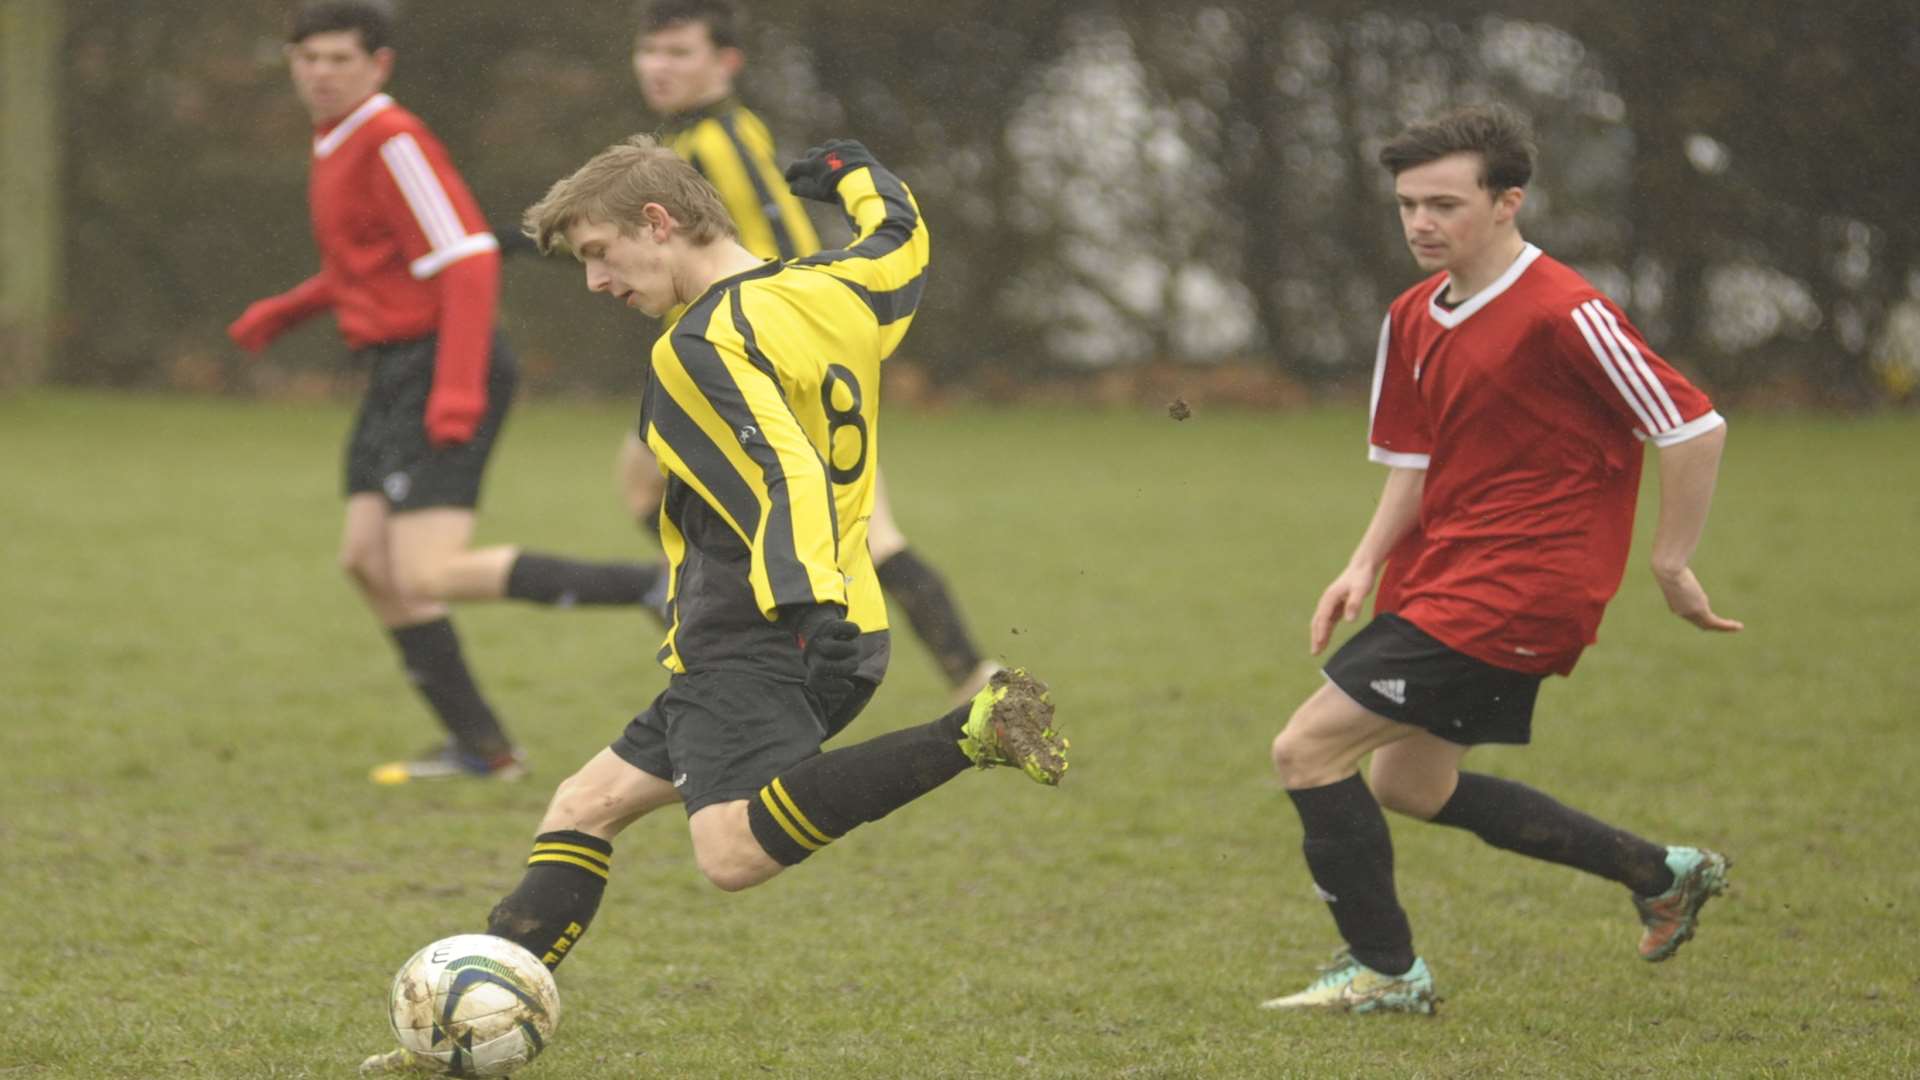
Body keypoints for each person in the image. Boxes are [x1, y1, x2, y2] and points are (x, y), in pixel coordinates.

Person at [360, 134, 1068, 1074]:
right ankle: (474, 1024)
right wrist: (857, 175)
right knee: (585, 805)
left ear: (660, 222)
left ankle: (972, 732)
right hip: (831, 617)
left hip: (767, 626)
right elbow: (900, 245)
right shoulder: (824, 291)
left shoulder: (695, 348)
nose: (596, 283)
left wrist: (806, 606)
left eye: (600, 254)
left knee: (730, 853)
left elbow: (783, 476)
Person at [1259, 105, 1739, 1014]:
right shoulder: (1411, 315)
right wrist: (1361, 565)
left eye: (1444, 203)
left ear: (1509, 201)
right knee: (1410, 782)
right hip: (1444, 572)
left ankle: (1387, 975)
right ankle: (1662, 872)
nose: (1420, 224)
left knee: (1307, 749)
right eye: (1407, 205)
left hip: (1525, 585)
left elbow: (1694, 427)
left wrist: (1672, 562)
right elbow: (1412, 459)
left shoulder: (1567, 312)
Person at [228, 1, 669, 784]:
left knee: (426, 571)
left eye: (339, 59)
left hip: (442, 366)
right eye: (308, 59)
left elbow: (466, 262)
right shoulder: (332, 141)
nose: (321, 73)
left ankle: (649, 585)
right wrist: (287, 311)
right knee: (368, 561)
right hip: (394, 368)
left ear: (379, 65)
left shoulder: (390, 139)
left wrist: (457, 392)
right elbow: (372, 262)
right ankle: (484, 749)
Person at [621, 0, 1001, 703]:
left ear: (725, 61)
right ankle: (966, 674)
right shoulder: (690, 140)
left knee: (868, 532)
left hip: (774, 357)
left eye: (679, 52)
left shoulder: (724, 140)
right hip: (747, 353)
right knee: (649, 482)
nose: (659, 67)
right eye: (651, 51)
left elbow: (782, 238)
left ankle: (972, 677)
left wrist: (807, 330)